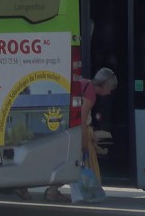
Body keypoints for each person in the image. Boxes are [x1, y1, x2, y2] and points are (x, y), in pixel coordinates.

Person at [44, 67, 118, 202]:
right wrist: (84, 140)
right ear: (105, 85)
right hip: (75, 131)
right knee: (75, 163)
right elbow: (82, 118)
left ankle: (53, 191)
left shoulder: (85, 83)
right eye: (110, 88)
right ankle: (54, 192)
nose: (110, 92)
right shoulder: (91, 94)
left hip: (65, 127)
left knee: (69, 162)